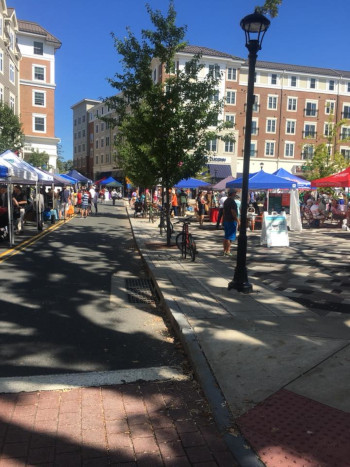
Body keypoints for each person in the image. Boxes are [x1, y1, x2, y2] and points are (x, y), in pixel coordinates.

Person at [222, 189, 239, 257]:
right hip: (231, 221)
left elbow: (223, 211)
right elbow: (233, 212)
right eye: (235, 193)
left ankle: (225, 250)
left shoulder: (226, 201)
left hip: (226, 220)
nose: (235, 194)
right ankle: (228, 251)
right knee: (230, 237)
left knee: (226, 236)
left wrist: (223, 219)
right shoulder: (232, 202)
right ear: (232, 194)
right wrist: (238, 220)